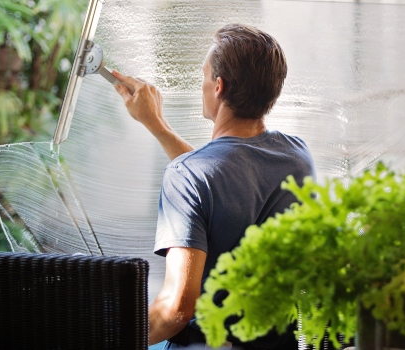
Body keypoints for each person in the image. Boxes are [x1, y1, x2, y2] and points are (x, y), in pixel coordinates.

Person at [112, 23, 316, 349]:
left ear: (218, 87)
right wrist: (158, 125)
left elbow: (176, 310)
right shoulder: (297, 158)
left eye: (204, 76)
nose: (202, 85)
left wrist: (104, 336)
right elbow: (226, 176)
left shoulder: (188, 176)